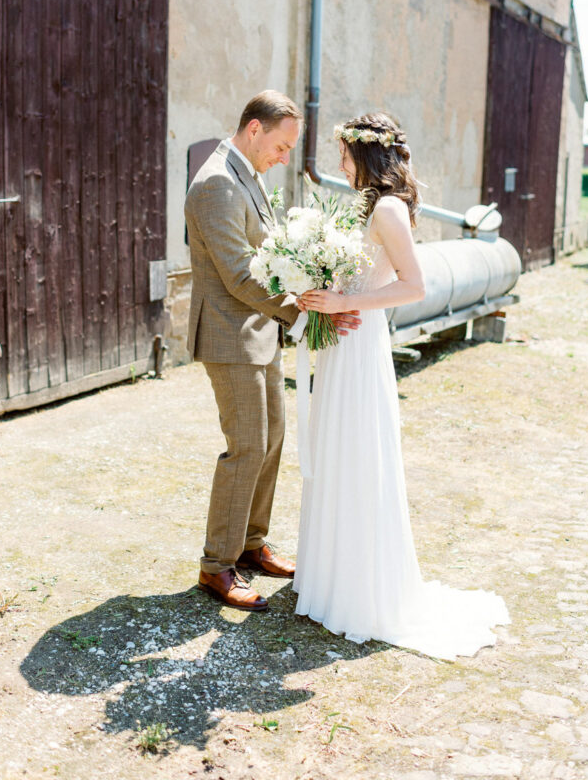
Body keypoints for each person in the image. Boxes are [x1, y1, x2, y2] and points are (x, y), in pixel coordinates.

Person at [295, 113, 510, 658]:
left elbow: (412, 286)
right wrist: (316, 289)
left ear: (364, 154)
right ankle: (331, 575)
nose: (339, 162)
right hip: (342, 341)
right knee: (336, 448)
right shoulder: (364, 203)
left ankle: (361, 589)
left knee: (357, 450)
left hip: (361, 342)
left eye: (344, 153)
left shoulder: (387, 208)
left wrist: (345, 301)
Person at [184, 91, 359, 613]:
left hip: (260, 332)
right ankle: (217, 566)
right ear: (254, 129)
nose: (284, 158)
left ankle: (251, 543)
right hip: (229, 334)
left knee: (273, 440)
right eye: (281, 147)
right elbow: (239, 275)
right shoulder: (216, 182)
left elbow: (270, 253)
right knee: (247, 447)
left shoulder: (247, 174)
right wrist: (304, 311)